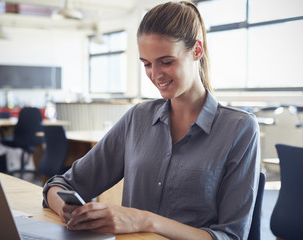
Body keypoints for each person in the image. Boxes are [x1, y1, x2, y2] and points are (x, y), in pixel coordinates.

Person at [42, 1, 260, 239]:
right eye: (146, 64)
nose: (155, 75)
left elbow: (230, 236)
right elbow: (60, 186)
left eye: (166, 61)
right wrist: (68, 210)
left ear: (197, 51)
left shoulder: (239, 128)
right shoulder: (138, 118)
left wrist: (144, 221)